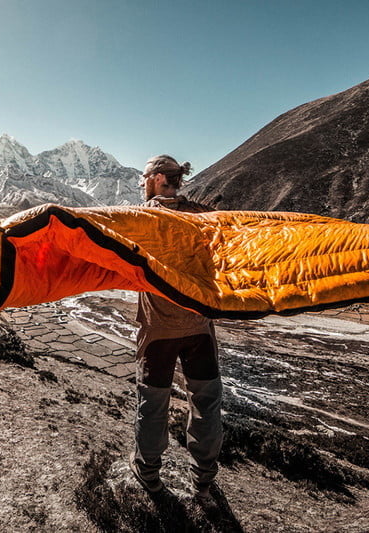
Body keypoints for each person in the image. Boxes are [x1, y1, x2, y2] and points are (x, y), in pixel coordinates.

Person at [129, 154, 223, 499]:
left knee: (153, 402)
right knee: (207, 401)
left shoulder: (141, 218)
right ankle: (203, 476)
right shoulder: (204, 218)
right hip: (199, 327)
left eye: (143, 179)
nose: (142, 185)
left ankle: (148, 472)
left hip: (158, 331)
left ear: (155, 179)